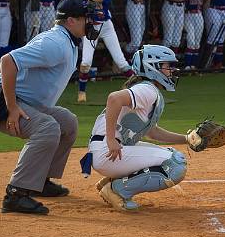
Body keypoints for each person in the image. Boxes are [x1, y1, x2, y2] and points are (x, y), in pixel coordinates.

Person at [0, 0, 94, 215]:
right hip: (2, 101)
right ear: (70, 21)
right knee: (47, 127)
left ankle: (40, 182)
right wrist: (12, 108)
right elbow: (7, 61)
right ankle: (16, 194)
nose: (91, 22)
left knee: (67, 122)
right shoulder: (55, 43)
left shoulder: (67, 39)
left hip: (25, 102)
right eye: (86, 18)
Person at [78, 44, 189, 212]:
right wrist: (110, 139)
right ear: (153, 67)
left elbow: (152, 132)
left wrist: (188, 139)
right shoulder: (147, 90)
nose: (172, 70)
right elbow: (114, 99)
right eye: (167, 66)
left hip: (107, 150)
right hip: (109, 151)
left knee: (172, 154)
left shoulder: (147, 89)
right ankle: (117, 190)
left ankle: (111, 182)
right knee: (175, 164)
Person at [67, 0, 132, 103]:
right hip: (91, 26)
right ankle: (81, 93)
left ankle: (140, 88)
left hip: (106, 26)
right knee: (86, 62)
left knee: (121, 62)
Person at [183, 0, 205, 69]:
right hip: (188, 15)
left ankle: (193, 65)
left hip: (199, 15)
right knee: (191, 40)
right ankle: (187, 65)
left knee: (197, 42)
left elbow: (205, 4)